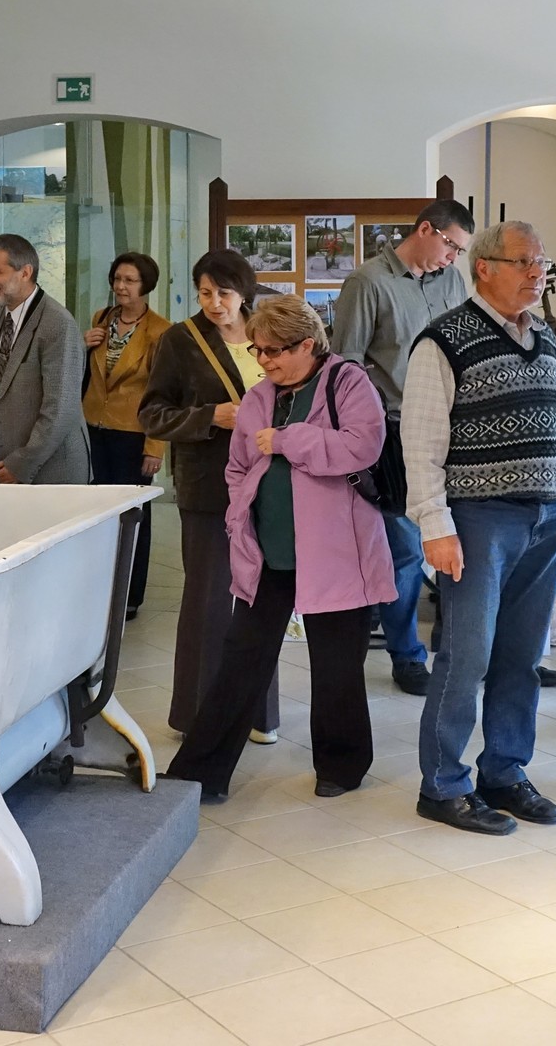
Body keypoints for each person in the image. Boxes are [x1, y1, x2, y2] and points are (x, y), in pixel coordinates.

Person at [168, 295, 393, 799]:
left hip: (337, 554)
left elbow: (362, 447)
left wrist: (289, 440)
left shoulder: (347, 381)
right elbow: (238, 464)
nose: (264, 360)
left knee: (337, 665)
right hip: (268, 552)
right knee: (240, 661)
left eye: (273, 350)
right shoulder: (259, 396)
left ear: (307, 345)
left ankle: (341, 768)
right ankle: (199, 774)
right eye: (258, 350)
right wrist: (239, 512)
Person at [402, 220, 556, 836]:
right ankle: (443, 786)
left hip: (548, 518)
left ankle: (504, 771)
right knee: (466, 657)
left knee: (522, 657)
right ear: (484, 267)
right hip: (479, 520)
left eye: (542, 262)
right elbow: (421, 444)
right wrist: (435, 525)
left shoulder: (545, 337)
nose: (538, 273)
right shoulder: (443, 341)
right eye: (525, 261)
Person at [139, 249, 280, 743]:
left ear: (245, 292)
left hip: (271, 486)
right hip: (209, 488)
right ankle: (198, 714)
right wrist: (209, 416)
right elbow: (152, 414)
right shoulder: (181, 340)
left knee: (265, 600)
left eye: (224, 293)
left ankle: (260, 713)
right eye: (205, 293)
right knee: (209, 600)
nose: (215, 303)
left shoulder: (269, 332)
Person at [334, 200, 473, 697]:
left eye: (460, 251)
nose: (453, 257)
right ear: (425, 229)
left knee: (460, 542)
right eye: (451, 245)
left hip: (454, 428)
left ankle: (461, 652)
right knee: (407, 552)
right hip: (393, 432)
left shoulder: (451, 282)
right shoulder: (368, 282)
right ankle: (407, 656)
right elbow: (346, 364)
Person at [83, 252, 173, 619]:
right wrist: (85, 344)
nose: (121, 286)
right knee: (97, 512)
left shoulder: (161, 331)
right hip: (94, 428)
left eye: (130, 280)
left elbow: (164, 393)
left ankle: (130, 594)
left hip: (133, 434)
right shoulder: (101, 319)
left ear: (145, 285)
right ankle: (100, 588)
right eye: (117, 279)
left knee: (133, 515)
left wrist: (155, 447)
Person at [0, 233, 89, 484]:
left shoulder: (58, 324)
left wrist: (22, 463)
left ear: (25, 272)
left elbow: (60, 410)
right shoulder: (2, 312)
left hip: (47, 471)